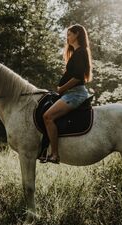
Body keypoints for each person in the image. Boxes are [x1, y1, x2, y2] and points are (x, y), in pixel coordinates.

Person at [43, 24, 93, 163]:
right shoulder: (76, 53)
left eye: (69, 34)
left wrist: (61, 89)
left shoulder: (80, 52)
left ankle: (54, 154)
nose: (67, 38)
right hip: (70, 93)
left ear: (77, 34)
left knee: (47, 117)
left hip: (75, 94)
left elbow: (78, 77)